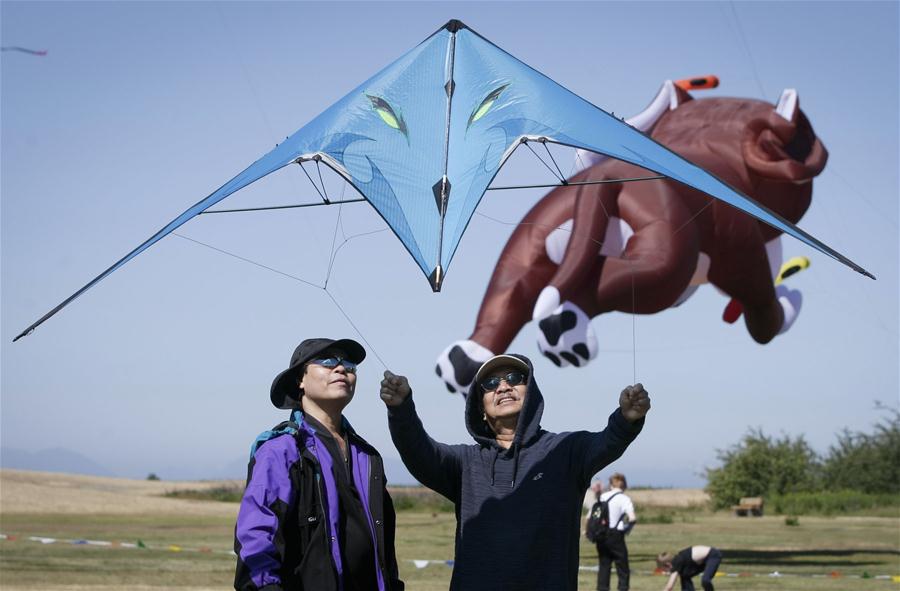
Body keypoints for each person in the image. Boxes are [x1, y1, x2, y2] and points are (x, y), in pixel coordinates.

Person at [380, 353, 650, 591]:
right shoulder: (465, 462)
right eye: (491, 384)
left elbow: (608, 441)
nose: (504, 386)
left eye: (514, 377)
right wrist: (401, 409)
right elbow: (419, 451)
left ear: (531, 393)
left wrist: (627, 418)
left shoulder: (566, 450)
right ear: (481, 408)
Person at [234, 338, 404, 591]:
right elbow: (256, 537)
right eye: (327, 361)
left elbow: (384, 549)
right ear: (300, 381)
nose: (341, 368)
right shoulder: (281, 450)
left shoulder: (367, 456)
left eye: (348, 364)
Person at [596, 472, 637, 591]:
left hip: (601, 534)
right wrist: (626, 529)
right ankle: (622, 588)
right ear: (624, 484)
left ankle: (602, 588)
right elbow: (632, 518)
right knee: (622, 566)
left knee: (604, 566)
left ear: (611, 484)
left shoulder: (603, 497)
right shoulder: (624, 499)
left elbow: (594, 515)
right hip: (616, 535)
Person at [657, 546, 723, 591]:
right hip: (701, 561)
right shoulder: (679, 562)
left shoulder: (677, 563)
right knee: (685, 575)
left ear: (667, 564)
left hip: (713, 556)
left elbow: (669, 587)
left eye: (663, 569)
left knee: (705, 580)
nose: (665, 571)